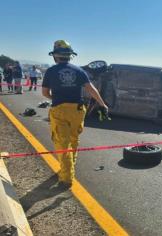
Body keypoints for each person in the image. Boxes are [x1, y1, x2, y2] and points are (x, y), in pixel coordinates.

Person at [42, 40, 108, 188]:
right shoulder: (79, 71)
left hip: (59, 110)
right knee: (73, 141)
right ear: (70, 55)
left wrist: (57, 98)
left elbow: (45, 93)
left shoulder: (51, 71)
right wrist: (103, 105)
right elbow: (92, 90)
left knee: (62, 143)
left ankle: (66, 179)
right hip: (78, 111)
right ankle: (69, 167)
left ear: (55, 56)